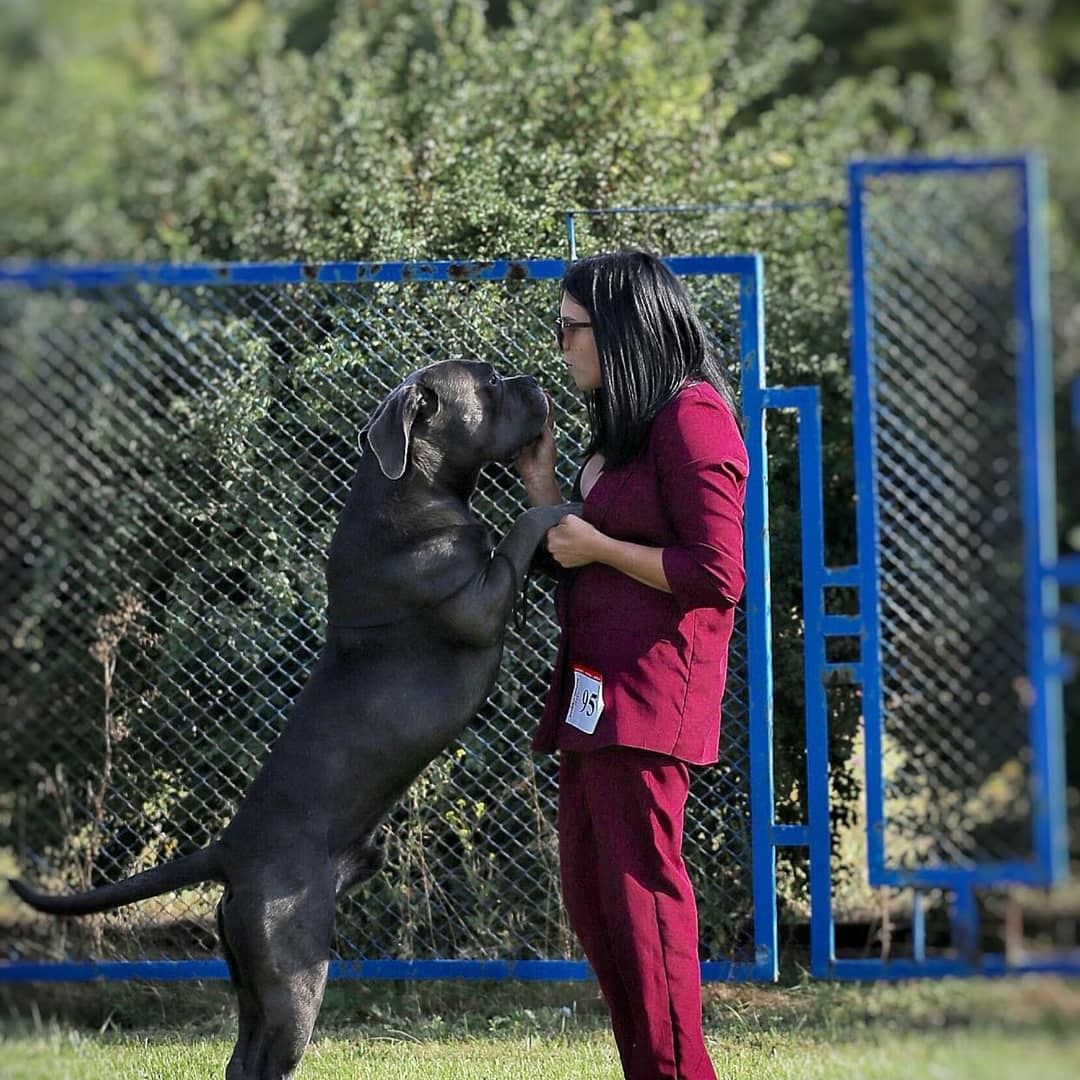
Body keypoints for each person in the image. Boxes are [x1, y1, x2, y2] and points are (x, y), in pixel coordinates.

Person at [515, 250, 748, 1080]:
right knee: (596, 904)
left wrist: (605, 546)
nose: (562, 344)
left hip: (649, 705)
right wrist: (544, 482)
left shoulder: (694, 418)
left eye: (571, 328)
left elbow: (719, 572)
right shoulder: (628, 430)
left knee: (642, 911)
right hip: (592, 706)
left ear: (619, 329)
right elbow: (574, 552)